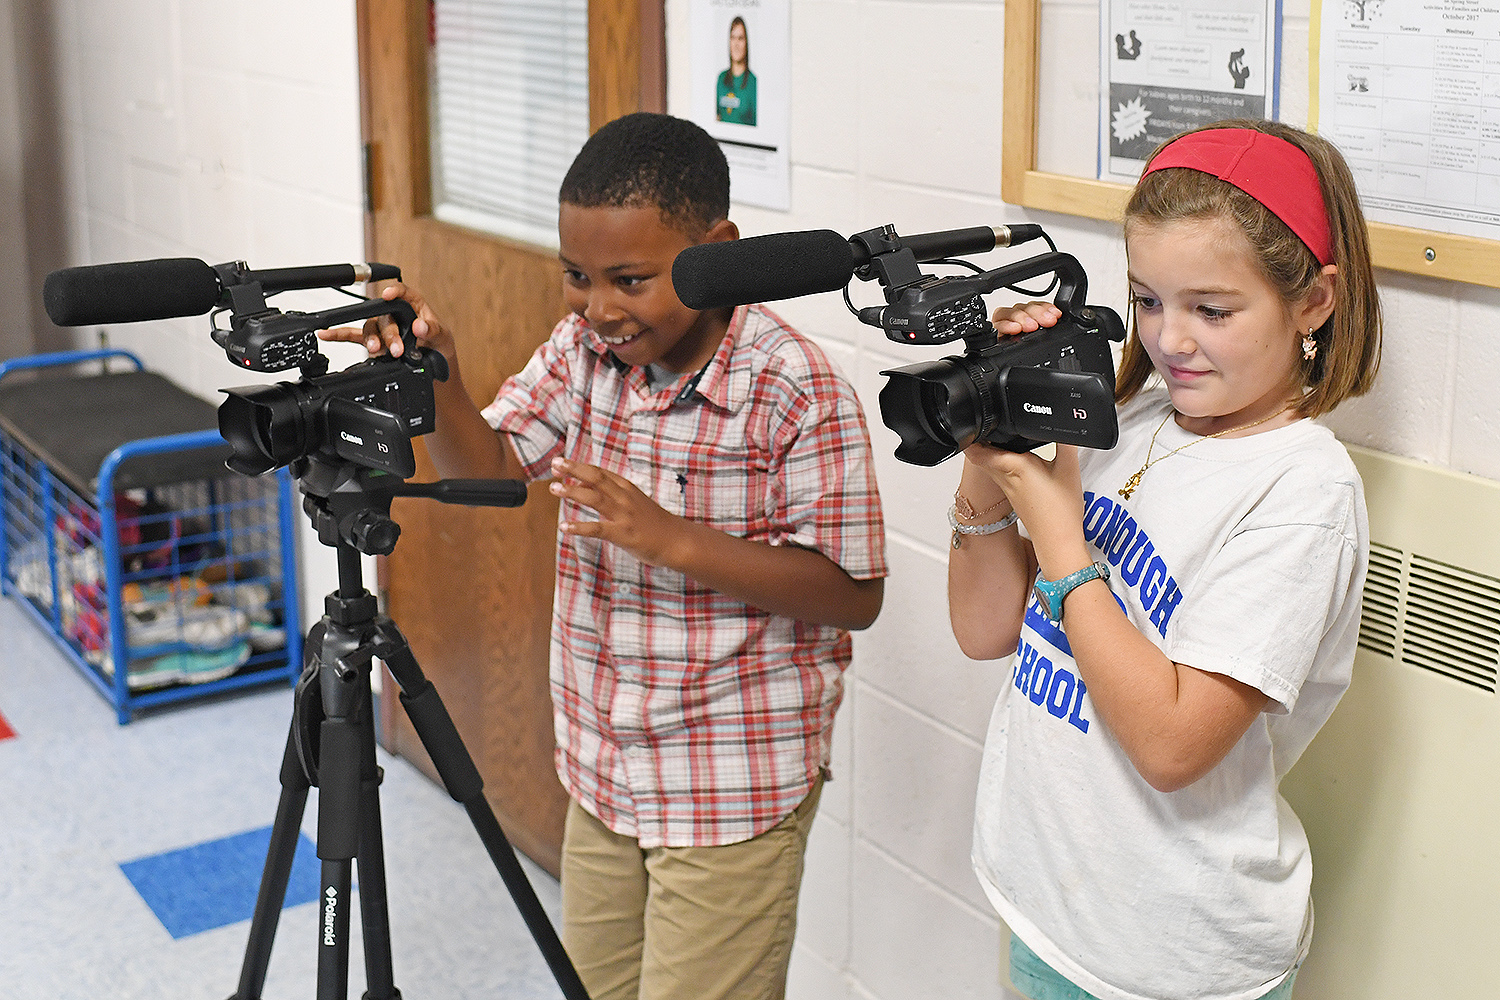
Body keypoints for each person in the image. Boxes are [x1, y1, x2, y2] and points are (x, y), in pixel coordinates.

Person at [321, 112, 887, 1000]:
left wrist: (670, 538)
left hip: (727, 782)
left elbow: (854, 595)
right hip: (601, 766)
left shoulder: (794, 386)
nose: (600, 308)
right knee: (592, 986)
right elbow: (495, 473)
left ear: (718, 252)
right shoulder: (585, 350)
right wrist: (444, 379)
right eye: (578, 278)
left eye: (631, 279)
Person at [947, 119, 1382, 1000]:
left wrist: (1063, 540)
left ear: (1314, 303)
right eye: (1147, 300)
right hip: (1051, 908)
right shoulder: (1133, 419)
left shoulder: (1302, 493)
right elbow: (986, 627)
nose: (1168, 340)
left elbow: (1173, 746)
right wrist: (990, 457)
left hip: (1169, 955)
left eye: (1211, 310)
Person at [716, 16, 757, 125]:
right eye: (733, 38)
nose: (736, 44)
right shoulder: (721, 78)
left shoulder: (753, 82)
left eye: (740, 38)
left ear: (746, 42)